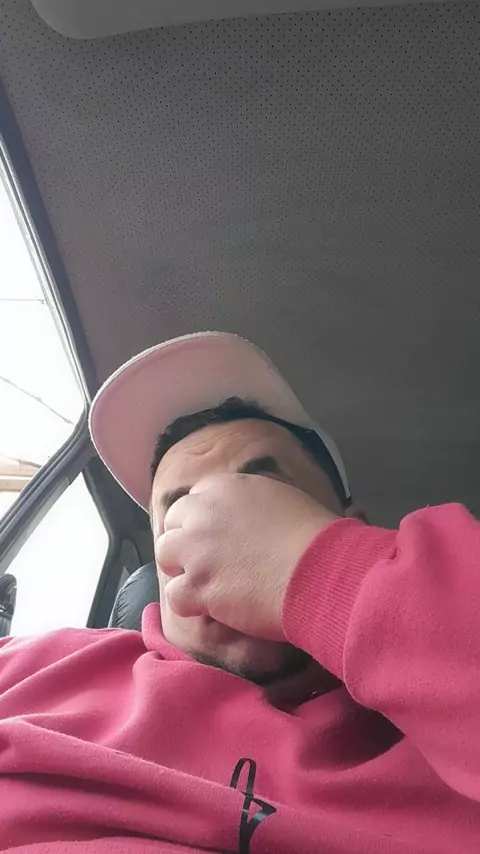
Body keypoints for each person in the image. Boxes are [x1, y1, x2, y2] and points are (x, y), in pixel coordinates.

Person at [1, 331, 480, 854]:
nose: (214, 531)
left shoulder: (439, 733)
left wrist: (323, 569)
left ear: (349, 528)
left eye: (260, 494)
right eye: (179, 514)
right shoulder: (35, 667)